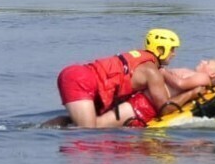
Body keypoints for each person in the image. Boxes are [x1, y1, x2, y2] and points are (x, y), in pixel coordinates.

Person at [47, 28, 206, 129]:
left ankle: (41, 128)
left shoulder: (140, 58)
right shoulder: (151, 71)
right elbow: (164, 109)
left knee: (80, 122)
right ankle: (38, 132)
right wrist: (192, 94)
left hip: (78, 74)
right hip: (81, 81)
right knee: (89, 131)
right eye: (172, 49)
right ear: (160, 49)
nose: (174, 54)